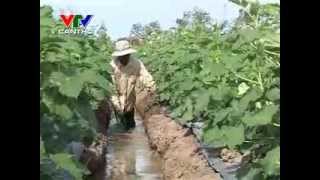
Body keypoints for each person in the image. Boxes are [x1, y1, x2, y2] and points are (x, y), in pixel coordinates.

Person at [110, 39, 155, 130]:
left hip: (130, 100)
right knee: (121, 127)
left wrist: (152, 88)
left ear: (129, 54)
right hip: (117, 100)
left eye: (126, 55)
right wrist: (117, 105)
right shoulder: (112, 66)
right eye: (121, 56)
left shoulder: (136, 64)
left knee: (130, 125)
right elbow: (111, 89)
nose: (124, 58)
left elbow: (145, 76)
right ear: (118, 57)